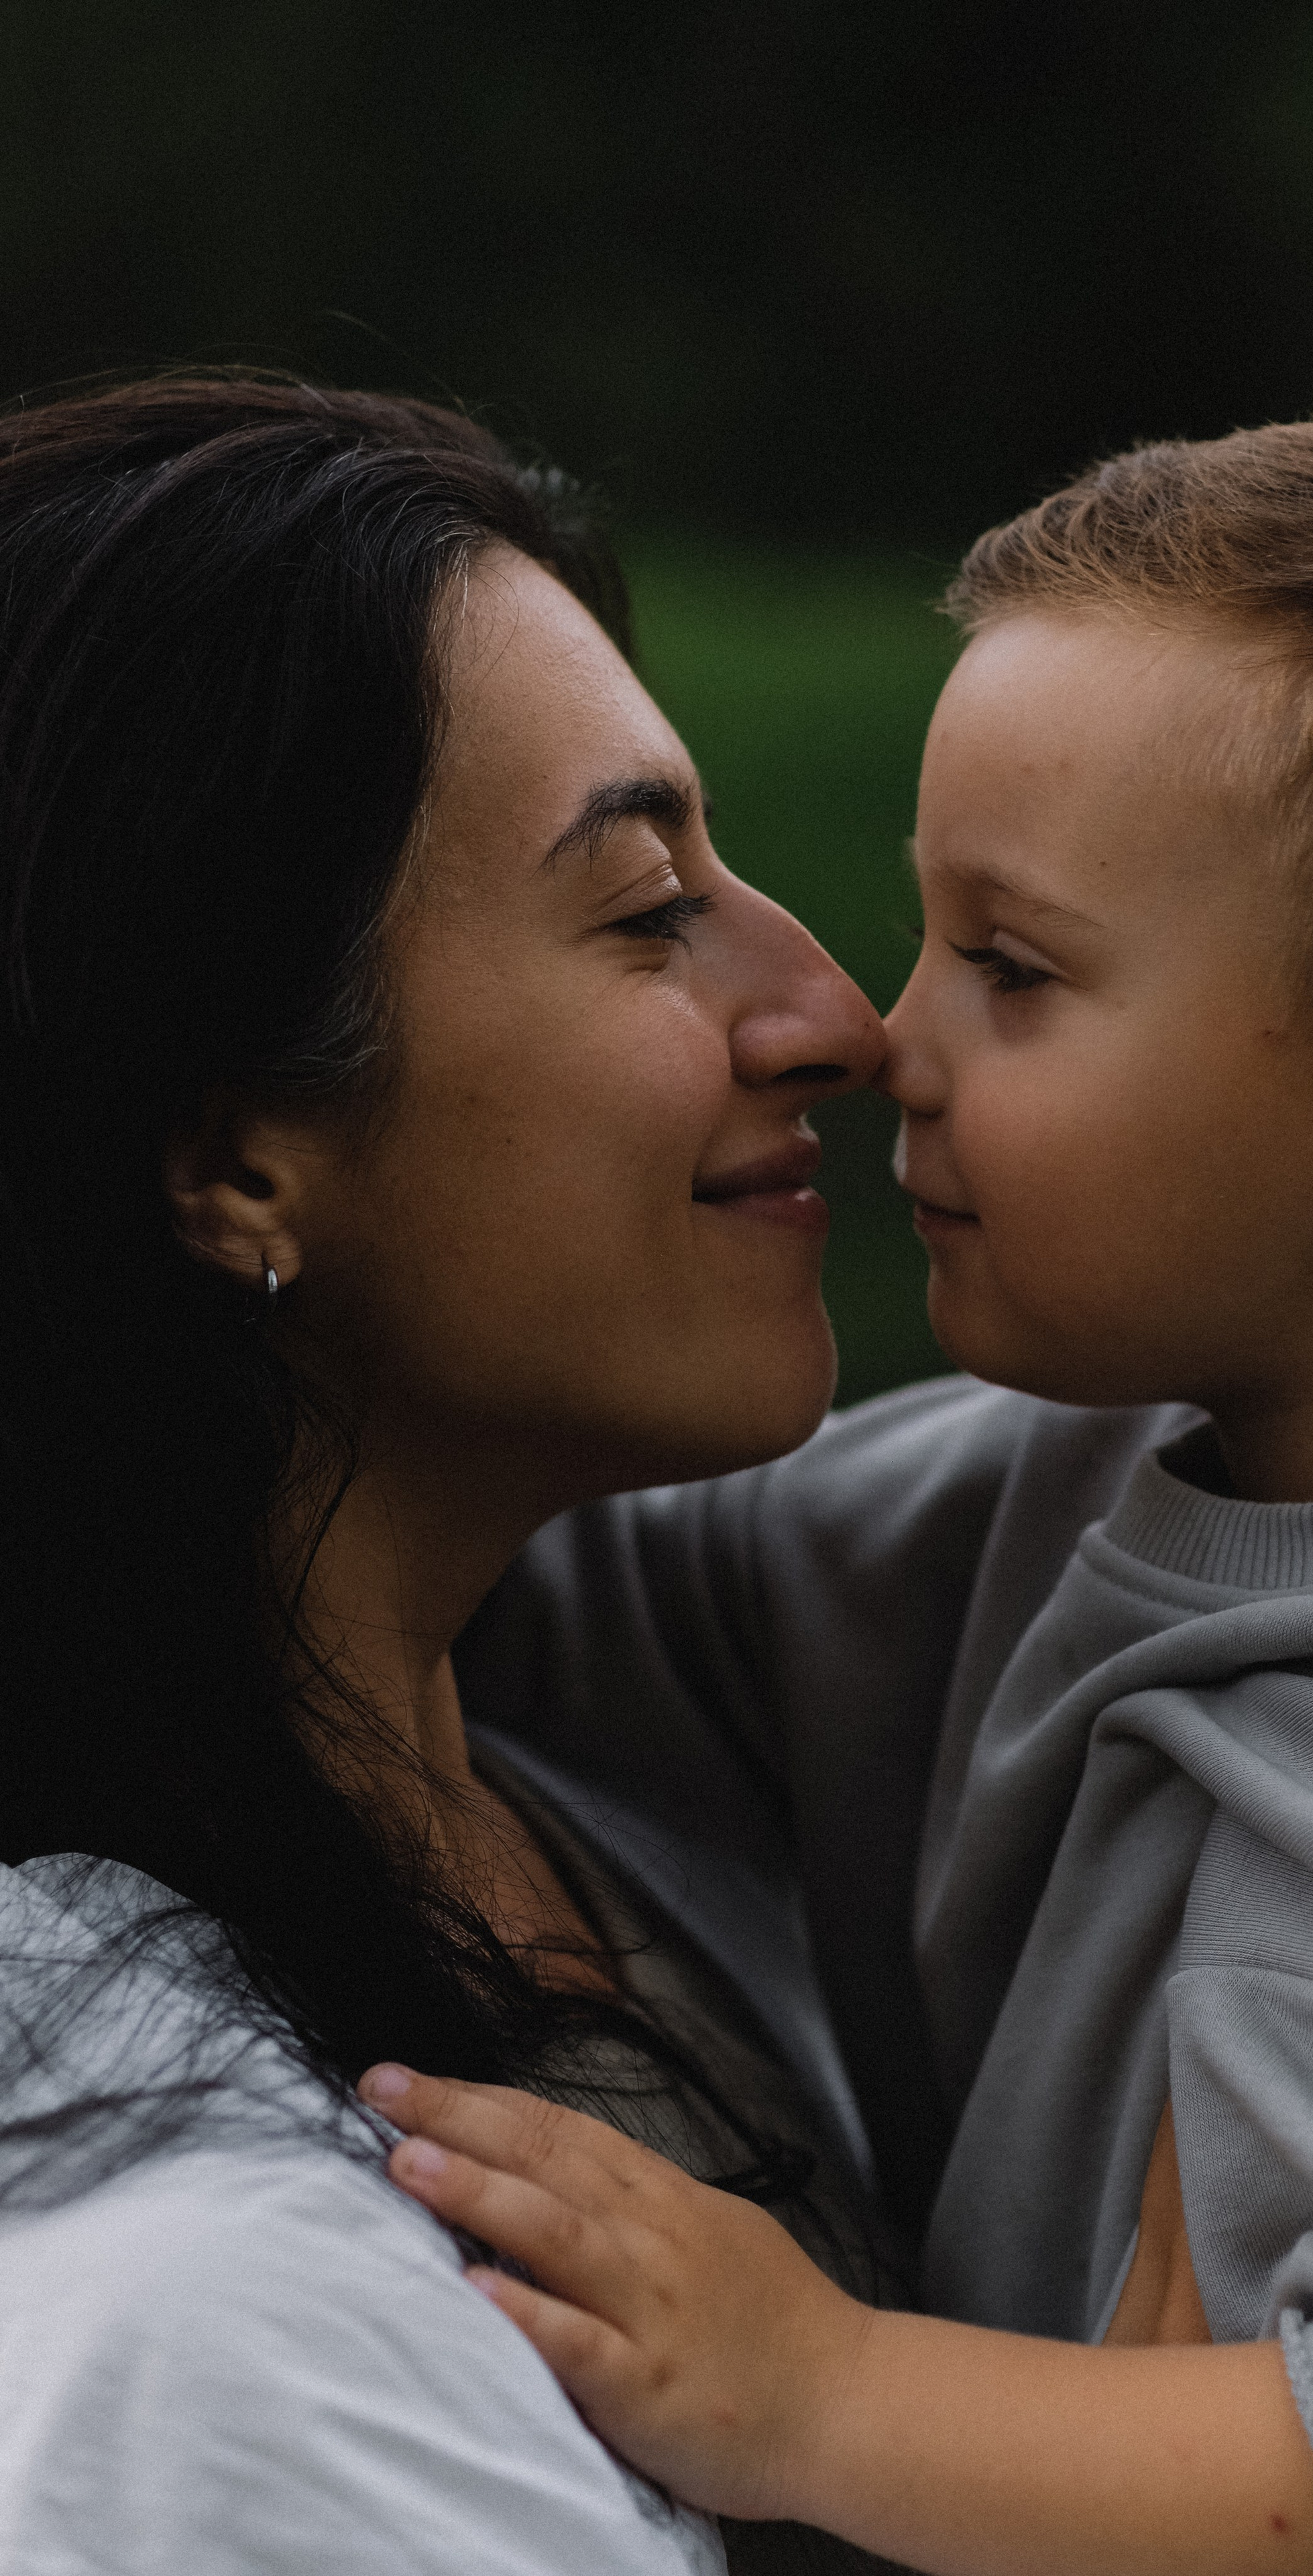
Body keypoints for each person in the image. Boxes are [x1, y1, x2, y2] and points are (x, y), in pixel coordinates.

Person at [403, 400, 1313, 2576]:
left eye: (1012, 968)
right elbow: (482, 1587)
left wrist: (822, 2393)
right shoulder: (1041, 1488)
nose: (880, 1032)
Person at [0, 371, 902, 2573]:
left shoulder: (665, 1784)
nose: (840, 1013)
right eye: (640, 908)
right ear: (231, 1156)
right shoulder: (216, 2326)